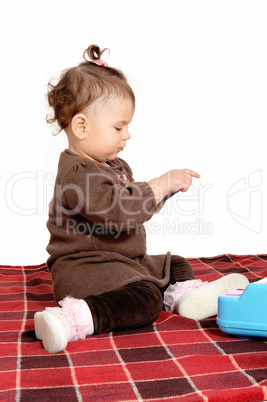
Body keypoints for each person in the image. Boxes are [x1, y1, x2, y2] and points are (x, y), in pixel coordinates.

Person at [34, 45, 249, 353]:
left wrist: (161, 196)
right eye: (119, 127)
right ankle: (73, 318)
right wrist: (158, 185)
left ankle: (184, 297)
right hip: (85, 268)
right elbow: (118, 211)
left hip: (123, 260)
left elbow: (132, 208)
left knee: (173, 264)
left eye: (128, 126)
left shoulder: (114, 166)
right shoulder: (78, 172)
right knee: (145, 299)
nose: (127, 135)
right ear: (81, 126)